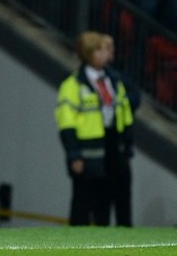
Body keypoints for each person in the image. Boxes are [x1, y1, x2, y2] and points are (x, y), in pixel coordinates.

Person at [55, 31, 134, 227]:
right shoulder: (73, 84)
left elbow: (125, 115)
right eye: (99, 49)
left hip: (111, 149)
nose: (105, 53)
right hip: (88, 151)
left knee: (105, 204)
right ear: (89, 54)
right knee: (82, 204)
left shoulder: (113, 81)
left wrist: (126, 145)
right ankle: (76, 251)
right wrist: (74, 155)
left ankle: (103, 251)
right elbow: (66, 123)